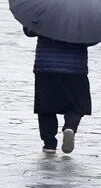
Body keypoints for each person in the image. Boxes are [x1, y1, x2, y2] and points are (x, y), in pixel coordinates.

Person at [25, 26, 93, 154]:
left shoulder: (44, 13)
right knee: (79, 103)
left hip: (45, 66)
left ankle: (49, 144)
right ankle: (70, 127)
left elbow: (29, 31)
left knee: (46, 106)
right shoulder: (83, 18)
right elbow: (92, 39)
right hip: (75, 67)